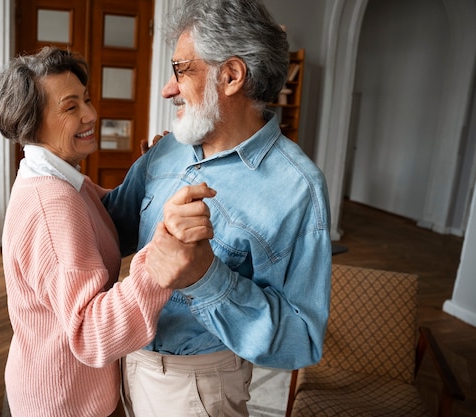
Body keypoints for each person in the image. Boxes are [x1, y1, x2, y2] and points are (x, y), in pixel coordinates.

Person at [103, 0, 332, 415]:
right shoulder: (168, 149)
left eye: (181, 69)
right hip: (123, 363)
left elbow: (302, 339)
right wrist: (51, 176)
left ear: (230, 76)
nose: (167, 89)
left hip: (198, 387)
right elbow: (109, 225)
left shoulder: (298, 189)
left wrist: (204, 277)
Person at [0, 46, 215, 417]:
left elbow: (107, 223)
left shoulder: (56, 179)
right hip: (63, 403)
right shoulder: (52, 205)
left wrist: (150, 173)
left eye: (87, 99)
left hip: (61, 389)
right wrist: (159, 263)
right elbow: (91, 332)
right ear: (32, 123)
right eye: (70, 106)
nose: (91, 114)